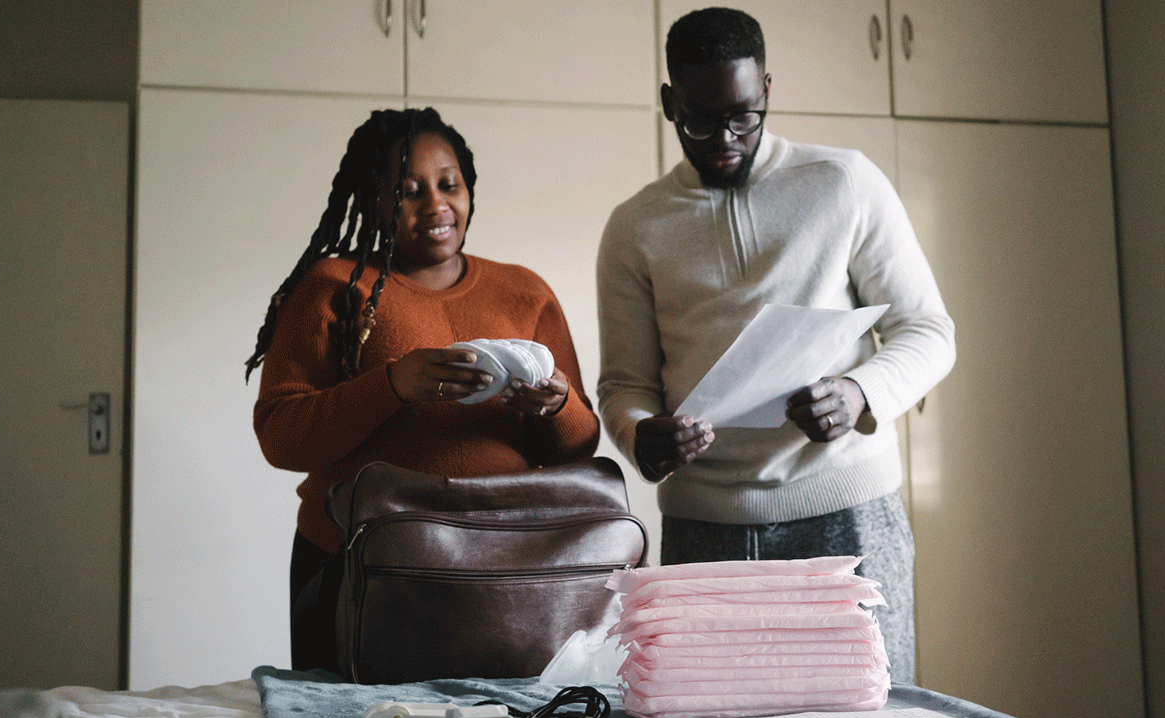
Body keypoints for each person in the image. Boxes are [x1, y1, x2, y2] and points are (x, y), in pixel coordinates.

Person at [595, 8, 955, 683]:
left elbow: (929, 330)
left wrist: (859, 393)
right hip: (704, 530)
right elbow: (624, 385)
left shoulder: (844, 182)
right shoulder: (634, 228)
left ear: (766, 90)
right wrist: (642, 435)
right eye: (699, 121)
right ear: (669, 103)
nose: (725, 140)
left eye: (744, 116)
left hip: (847, 514)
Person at [246, 108, 601, 673]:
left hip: (503, 570)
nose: (436, 206)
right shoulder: (333, 288)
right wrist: (390, 386)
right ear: (372, 197)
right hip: (359, 567)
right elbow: (281, 437)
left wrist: (556, 405)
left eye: (449, 184)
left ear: (469, 188)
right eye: (409, 192)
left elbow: (578, 449)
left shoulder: (526, 292)